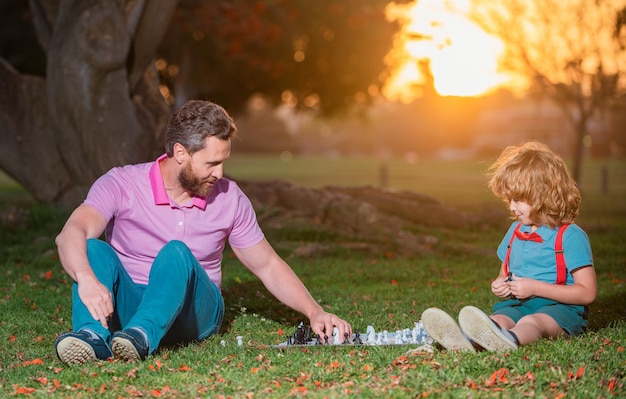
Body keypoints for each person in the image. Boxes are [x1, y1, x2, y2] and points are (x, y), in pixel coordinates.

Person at [54, 100, 352, 366]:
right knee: (92, 249)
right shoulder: (122, 183)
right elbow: (71, 233)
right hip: (130, 307)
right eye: (212, 163)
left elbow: (268, 265)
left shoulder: (229, 198)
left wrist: (314, 312)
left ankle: (142, 335)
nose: (220, 173)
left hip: (194, 312)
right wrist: (87, 279)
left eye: (223, 162)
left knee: (176, 253)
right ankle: (92, 336)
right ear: (180, 153)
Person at [421, 142, 596, 352]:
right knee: (497, 320)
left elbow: (587, 292)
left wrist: (534, 288)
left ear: (544, 195)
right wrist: (500, 284)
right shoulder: (515, 231)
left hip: (559, 311)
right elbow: (504, 273)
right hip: (519, 305)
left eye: (518, 200)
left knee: (532, 323)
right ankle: (468, 341)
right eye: (509, 199)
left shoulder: (570, 236)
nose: (512, 207)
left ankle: (509, 340)